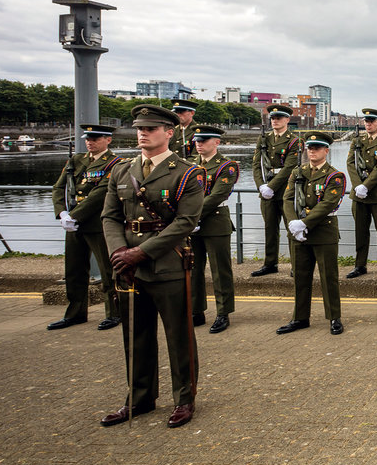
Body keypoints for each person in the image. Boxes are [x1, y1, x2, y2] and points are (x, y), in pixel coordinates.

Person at [100, 104, 204, 429]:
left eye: (150, 129)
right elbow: (110, 216)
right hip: (128, 266)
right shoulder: (121, 171)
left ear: (168, 132)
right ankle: (140, 398)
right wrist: (119, 251)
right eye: (139, 129)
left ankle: (184, 399)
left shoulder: (186, 172)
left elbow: (185, 222)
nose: (142, 134)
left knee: (178, 335)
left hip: (167, 264)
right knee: (136, 335)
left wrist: (140, 253)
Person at [47, 124, 122, 330]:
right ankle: (75, 313)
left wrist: (73, 215)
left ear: (108, 140)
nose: (90, 142)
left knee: (108, 272)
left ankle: (114, 313)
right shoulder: (76, 160)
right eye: (88, 139)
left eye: (95, 139)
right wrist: (61, 212)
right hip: (73, 225)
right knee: (74, 270)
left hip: (98, 223)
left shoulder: (116, 163)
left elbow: (101, 193)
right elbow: (58, 187)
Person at [277, 131, 347, 335]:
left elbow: (327, 204)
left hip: (323, 232)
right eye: (310, 147)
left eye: (317, 148)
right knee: (300, 277)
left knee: (329, 278)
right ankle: (300, 317)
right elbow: (287, 199)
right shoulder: (297, 173)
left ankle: (334, 317)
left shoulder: (335, 176)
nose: (312, 151)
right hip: (298, 234)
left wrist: (304, 223)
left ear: (326, 150)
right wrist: (293, 223)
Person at [190, 126, 238, 333]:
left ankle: (223, 313)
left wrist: (191, 216)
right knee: (192, 270)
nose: (199, 144)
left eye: (204, 140)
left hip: (215, 221)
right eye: (197, 141)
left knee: (220, 270)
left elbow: (217, 195)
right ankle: (196, 311)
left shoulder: (227, 166)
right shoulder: (189, 165)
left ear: (216, 142)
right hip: (191, 224)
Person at [251, 103, 303, 276]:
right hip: (266, 191)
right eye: (272, 118)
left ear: (287, 120)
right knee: (269, 229)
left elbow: (290, 168)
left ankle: (296, 265)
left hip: (286, 192)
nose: (275, 121)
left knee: (291, 229)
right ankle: (270, 263)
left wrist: (271, 187)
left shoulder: (294, 141)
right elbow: (257, 165)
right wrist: (261, 186)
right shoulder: (264, 139)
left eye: (278, 118)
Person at [345, 108, 377, 279]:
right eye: (366, 121)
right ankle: (360, 265)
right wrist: (357, 186)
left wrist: (366, 186)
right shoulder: (357, 141)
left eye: (372, 121)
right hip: (358, 194)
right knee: (361, 231)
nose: (368, 124)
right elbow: (350, 164)